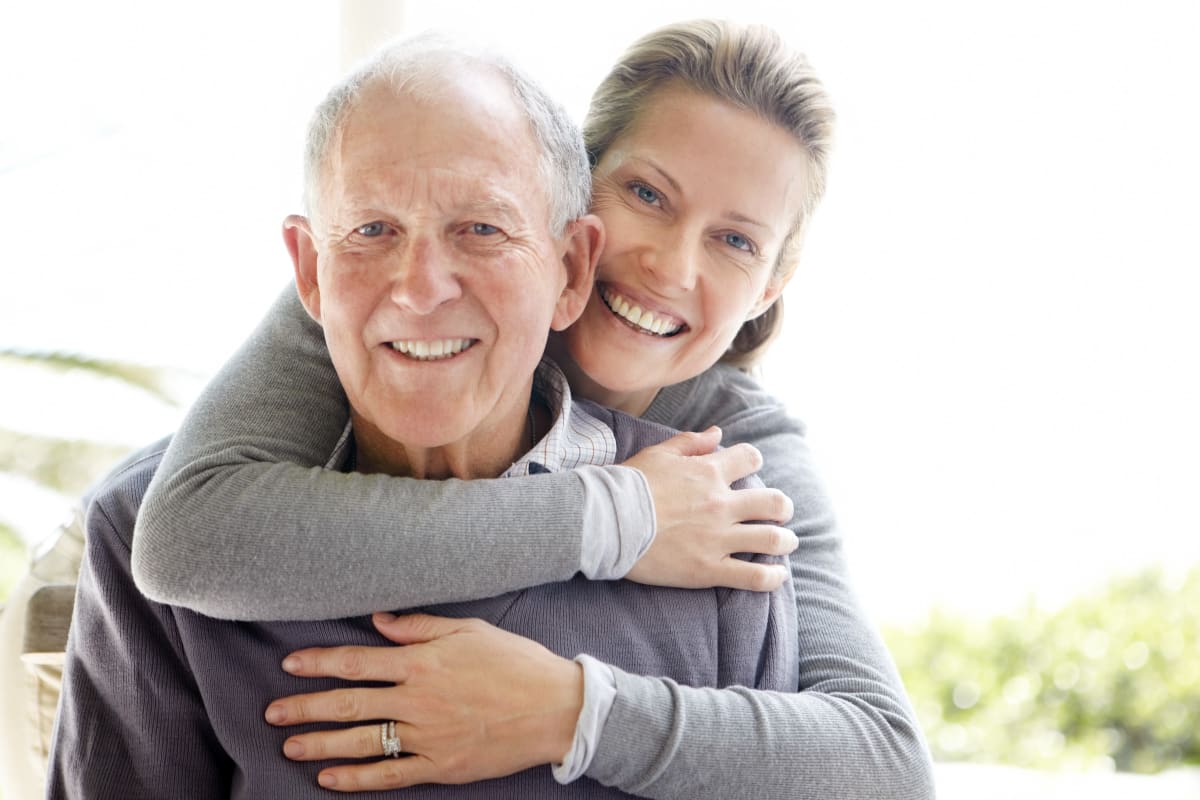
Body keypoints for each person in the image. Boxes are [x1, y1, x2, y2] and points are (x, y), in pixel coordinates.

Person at [130, 20, 934, 799]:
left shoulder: (743, 457)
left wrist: (572, 714)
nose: (669, 263)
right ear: (575, 192)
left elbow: (883, 766)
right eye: (648, 193)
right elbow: (184, 533)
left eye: (736, 241)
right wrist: (620, 518)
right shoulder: (413, 283)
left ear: (769, 288)